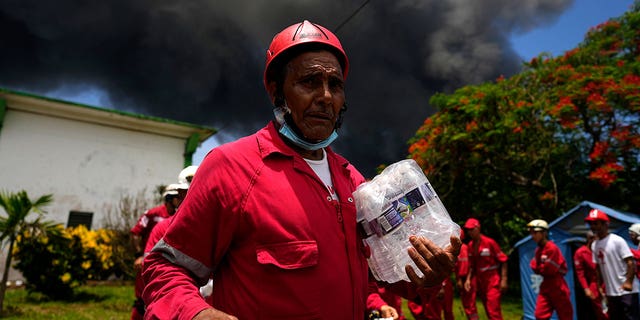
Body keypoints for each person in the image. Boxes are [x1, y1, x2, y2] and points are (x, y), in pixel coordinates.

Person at [142, 20, 461, 320]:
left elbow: (375, 279)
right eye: (309, 81)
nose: (325, 96)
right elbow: (164, 269)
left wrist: (427, 276)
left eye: (334, 85)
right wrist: (197, 313)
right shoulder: (231, 167)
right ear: (276, 91)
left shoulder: (354, 182)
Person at [130, 183, 181, 320]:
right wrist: (139, 255)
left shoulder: (180, 216)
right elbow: (135, 233)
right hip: (149, 260)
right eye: (177, 197)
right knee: (143, 299)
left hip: (168, 262)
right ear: (169, 198)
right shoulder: (153, 214)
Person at [586, 208, 639, 320]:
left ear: (605, 224)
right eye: (591, 224)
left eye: (596, 223)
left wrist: (628, 282)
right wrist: (600, 286)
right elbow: (598, 268)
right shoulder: (595, 245)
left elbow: (631, 262)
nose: (593, 227)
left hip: (626, 291)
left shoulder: (617, 241)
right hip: (611, 292)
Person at [527, 219, 573, 320]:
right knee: (540, 315)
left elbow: (549, 270)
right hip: (546, 285)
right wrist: (541, 267)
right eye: (531, 233)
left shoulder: (552, 248)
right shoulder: (538, 250)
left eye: (535, 233)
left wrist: (540, 268)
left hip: (558, 286)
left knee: (565, 315)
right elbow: (535, 268)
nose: (533, 236)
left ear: (544, 233)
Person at [463, 218, 507, 320]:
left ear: (478, 228)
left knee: (493, 312)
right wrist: (468, 279)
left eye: (472, 229)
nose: (470, 232)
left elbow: (503, 260)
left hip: (492, 282)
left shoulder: (490, 242)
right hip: (481, 283)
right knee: (488, 310)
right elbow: (472, 266)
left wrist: (504, 279)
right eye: (468, 230)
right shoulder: (470, 245)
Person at [573, 230, 609, 320]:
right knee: (600, 310)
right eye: (592, 238)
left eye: (597, 238)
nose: (595, 240)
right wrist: (586, 288)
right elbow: (580, 273)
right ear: (588, 239)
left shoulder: (602, 249)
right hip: (594, 284)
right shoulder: (581, 253)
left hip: (607, 281)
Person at [457, 229, 478, 320]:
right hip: (463, 279)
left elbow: (468, 265)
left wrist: (465, 280)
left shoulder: (464, 248)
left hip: (468, 279)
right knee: (467, 303)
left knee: (470, 304)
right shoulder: (457, 249)